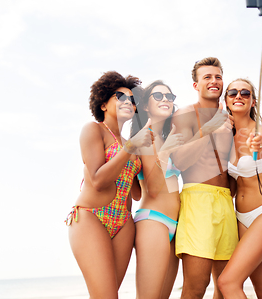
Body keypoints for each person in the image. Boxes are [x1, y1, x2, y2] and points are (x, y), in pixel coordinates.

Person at [66, 71, 153, 298]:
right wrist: (131, 148)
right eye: (120, 96)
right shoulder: (93, 130)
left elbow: (136, 193)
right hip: (90, 216)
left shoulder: (130, 142)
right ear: (103, 104)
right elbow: (97, 181)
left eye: (132, 100)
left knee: (107, 294)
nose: (128, 102)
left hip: (124, 222)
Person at [170, 57, 237, 299]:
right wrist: (208, 128)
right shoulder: (185, 115)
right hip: (197, 199)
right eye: (207, 77)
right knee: (196, 287)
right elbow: (180, 161)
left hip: (227, 201)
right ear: (195, 85)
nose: (214, 81)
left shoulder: (231, 115)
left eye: (218, 76)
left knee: (225, 285)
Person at [217, 79, 262, 299]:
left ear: (253, 101)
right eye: (233, 93)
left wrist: (257, 148)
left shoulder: (260, 133)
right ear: (226, 101)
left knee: (227, 283)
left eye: (245, 93)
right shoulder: (227, 137)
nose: (239, 96)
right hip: (240, 216)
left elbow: (261, 148)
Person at [131, 80, 184, 299]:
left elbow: (169, 184)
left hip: (174, 225)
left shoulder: (165, 137)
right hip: (154, 221)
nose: (165, 100)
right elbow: (152, 189)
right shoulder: (146, 137)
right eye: (158, 96)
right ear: (145, 106)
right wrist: (165, 153)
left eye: (169, 97)